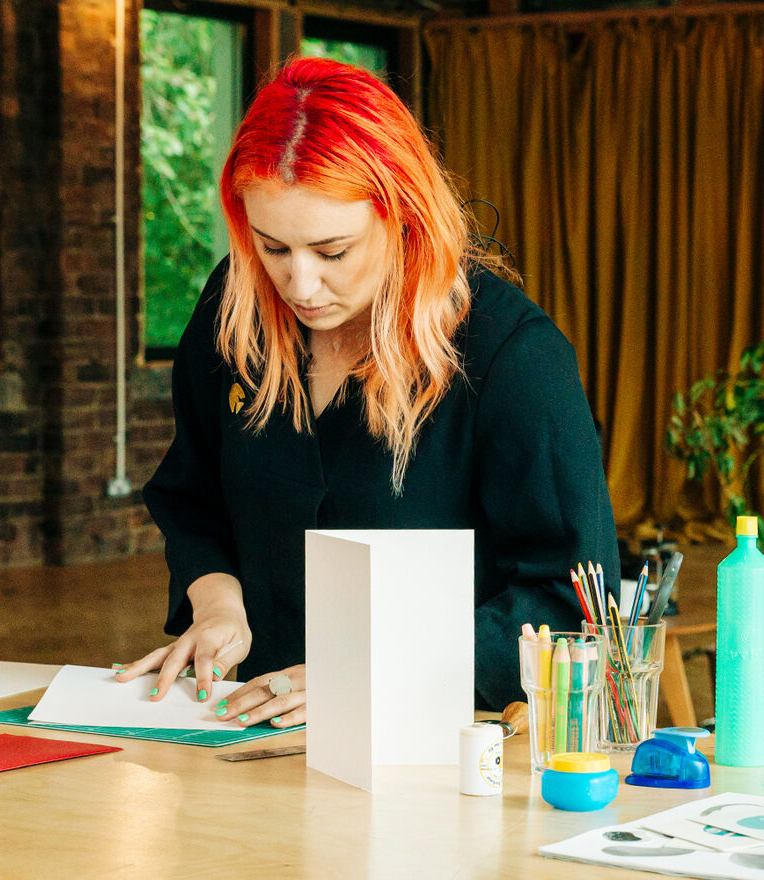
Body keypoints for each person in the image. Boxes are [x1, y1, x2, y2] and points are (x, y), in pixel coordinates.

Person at [115, 57, 619, 727]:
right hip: (260, 735)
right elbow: (194, 500)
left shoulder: (511, 357)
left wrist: (373, 677)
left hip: (451, 752)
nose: (299, 286)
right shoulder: (232, 312)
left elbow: (569, 601)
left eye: (332, 251)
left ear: (402, 214)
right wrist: (217, 605)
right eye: (272, 247)